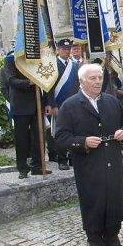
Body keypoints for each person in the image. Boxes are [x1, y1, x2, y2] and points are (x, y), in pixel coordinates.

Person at [55, 63, 123, 246]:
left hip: (113, 162)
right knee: (94, 205)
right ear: (81, 81)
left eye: (99, 78)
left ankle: (113, 242)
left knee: (114, 202)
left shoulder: (111, 101)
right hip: (89, 166)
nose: (98, 81)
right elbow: (61, 138)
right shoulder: (70, 105)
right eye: (93, 78)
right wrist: (82, 142)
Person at [3, 52, 52, 178]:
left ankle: (37, 165)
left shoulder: (36, 57)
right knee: (21, 138)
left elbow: (46, 80)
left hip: (37, 104)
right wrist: (30, 82)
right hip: (20, 105)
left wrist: (47, 103)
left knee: (39, 137)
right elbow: (11, 80)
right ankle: (22, 168)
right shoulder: (10, 60)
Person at [46, 38, 81, 170]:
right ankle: (62, 159)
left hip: (73, 103)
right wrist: (52, 104)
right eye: (64, 49)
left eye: (68, 49)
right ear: (58, 50)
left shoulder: (74, 65)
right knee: (60, 132)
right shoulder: (53, 65)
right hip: (58, 103)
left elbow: (78, 85)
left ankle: (72, 156)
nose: (67, 51)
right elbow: (49, 87)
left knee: (73, 131)